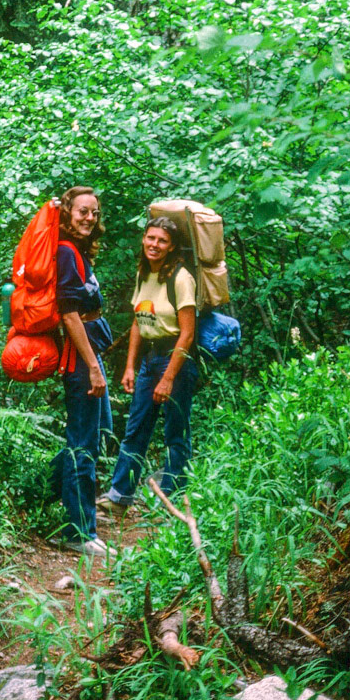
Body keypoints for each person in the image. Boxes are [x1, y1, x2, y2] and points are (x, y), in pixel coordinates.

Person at [100, 216, 199, 517]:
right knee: (136, 430)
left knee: (175, 433)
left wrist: (168, 378)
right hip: (149, 359)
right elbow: (137, 322)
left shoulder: (181, 278)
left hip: (176, 360)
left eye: (162, 241)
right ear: (143, 239)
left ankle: (171, 502)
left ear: (171, 247)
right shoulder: (145, 274)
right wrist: (129, 366)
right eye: (151, 238)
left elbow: (188, 333)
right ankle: (119, 498)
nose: (154, 245)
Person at [51, 186, 115, 556]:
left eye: (93, 212)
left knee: (96, 430)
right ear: (67, 213)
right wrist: (92, 367)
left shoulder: (77, 251)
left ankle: (57, 498)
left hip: (89, 353)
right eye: (82, 212)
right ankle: (78, 533)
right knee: (83, 442)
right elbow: (69, 314)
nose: (89, 218)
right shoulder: (64, 252)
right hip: (80, 357)